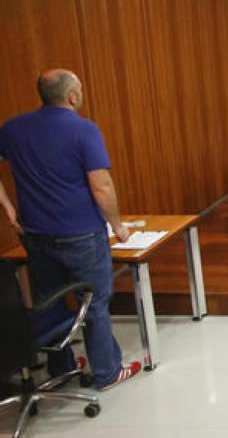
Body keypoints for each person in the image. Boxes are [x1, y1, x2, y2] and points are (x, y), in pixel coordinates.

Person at [0, 69, 142, 391]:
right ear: (72, 96)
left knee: (48, 299)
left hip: (35, 235)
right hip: (82, 235)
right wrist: (118, 226)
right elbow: (101, 186)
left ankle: (60, 368)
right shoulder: (84, 130)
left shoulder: (12, 128)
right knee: (93, 301)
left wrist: (8, 208)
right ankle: (106, 373)